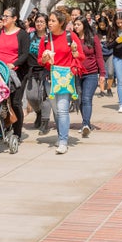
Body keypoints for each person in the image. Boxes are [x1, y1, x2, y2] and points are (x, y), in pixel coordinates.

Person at [38, 10, 85, 154]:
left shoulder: (71, 36)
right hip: (50, 79)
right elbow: (40, 60)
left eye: (53, 21)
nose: (49, 23)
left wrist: (75, 52)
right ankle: (60, 135)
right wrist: (45, 59)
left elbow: (81, 56)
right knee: (57, 111)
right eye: (49, 21)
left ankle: (63, 141)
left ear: (61, 23)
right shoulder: (45, 39)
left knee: (63, 109)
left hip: (66, 78)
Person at [0, 7, 30, 140]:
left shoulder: (22, 34)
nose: (3, 19)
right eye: (2, 16)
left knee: (15, 102)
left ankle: (17, 133)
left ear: (14, 18)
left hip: (16, 73)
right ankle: (0, 127)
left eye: (6, 16)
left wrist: (14, 64)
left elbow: (25, 54)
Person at [73, 16, 104, 137]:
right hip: (76, 73)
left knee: (86, 98)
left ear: (84, 25)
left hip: (91, 73)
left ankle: (85, 124)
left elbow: (99, 56)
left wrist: (102, 73)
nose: (76, 27)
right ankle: (86, 122)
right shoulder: (72, 39)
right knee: (79, 99)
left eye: (78, 24)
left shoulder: (92, 38)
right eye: (75, 24)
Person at [25, 13, 51, 134]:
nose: (39, 24)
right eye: (37, 22)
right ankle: (39, 112)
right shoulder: (30, 36)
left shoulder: (49, 37)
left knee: (44, 97)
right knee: (31, 96)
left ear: (46, 24)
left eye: (42, 22)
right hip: (31, 70)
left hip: (45, 70)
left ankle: (45, 122)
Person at [96, 16, 115, 97]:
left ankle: (109, 88)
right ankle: (102, 90)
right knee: (102, 73)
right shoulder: (96, 32)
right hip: (101, 55)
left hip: (110, 54)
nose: (102, 27)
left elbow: (115, 42)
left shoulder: (111, 31)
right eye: (100, 25)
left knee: (110, 72)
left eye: (103, 25)